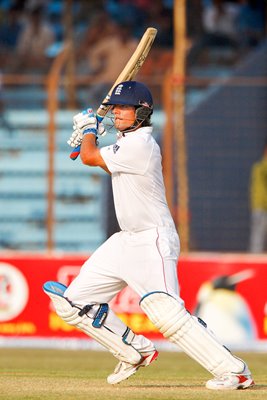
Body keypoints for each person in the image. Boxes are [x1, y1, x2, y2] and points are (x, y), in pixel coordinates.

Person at [43, 81, 254, 390]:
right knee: (72, 302)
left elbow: (89, 158)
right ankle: (134, 350)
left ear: (142, 112)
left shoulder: (140, 144)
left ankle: (234, 371)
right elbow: (103, 163)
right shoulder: (126, 147)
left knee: (165, 312)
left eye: (123, 108)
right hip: (125, 240)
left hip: (152, 239)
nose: (116, 113)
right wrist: (91, 138)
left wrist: (89, 129)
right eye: (114, 108)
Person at [249, 143, 267, 253]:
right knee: (258, 236)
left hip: (258, 207)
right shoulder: (262, 167)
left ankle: (255, 256)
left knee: (257, 235)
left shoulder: (257, 167)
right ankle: (255, 258)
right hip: (262, 207)